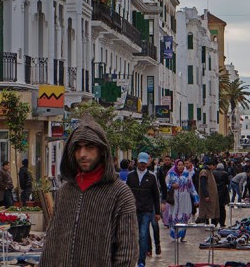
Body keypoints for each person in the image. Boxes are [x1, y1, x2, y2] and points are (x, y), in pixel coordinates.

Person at [40, 114, 138, 266]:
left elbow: (127, 251)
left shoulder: (120, 193)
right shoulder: (65, 191)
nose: (82, 154)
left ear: (102, 151)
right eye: (78, 148)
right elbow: (52, 241)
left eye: (90, 147)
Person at [126, 152, 161, 267]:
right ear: (137, 162)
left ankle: (141, 261)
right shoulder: (130, 176)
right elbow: (126, 194)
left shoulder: (151, 177)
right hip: (133, 210)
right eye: (140, 162)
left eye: (144, 163)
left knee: (143, 235)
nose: (142, 165)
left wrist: (157, 212)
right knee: (133, 236)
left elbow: (156, 195)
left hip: (147, 211)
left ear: (147, 163)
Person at [163, 160, 198, 242]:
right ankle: (174, 235)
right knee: (174, 216)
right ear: (176, 165)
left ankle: (182, 235)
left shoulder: (187, 175)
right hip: (174, 200)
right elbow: (164, 185)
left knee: (184, 216)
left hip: (185, 200)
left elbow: (191, 187)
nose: (180, 166)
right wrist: (171, 186)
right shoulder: (171, 174)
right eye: (179, 165)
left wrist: (196, 198)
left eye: (182, 165)